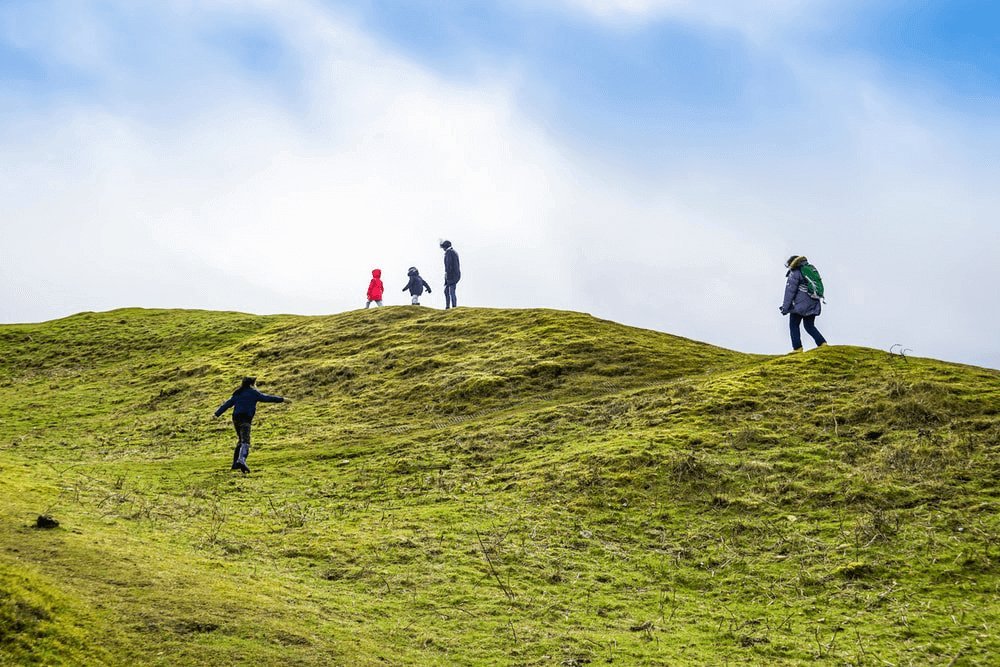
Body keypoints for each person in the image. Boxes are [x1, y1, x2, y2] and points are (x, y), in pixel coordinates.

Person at [213, 377, 290, 473]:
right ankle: (241, 460)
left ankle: (235, 464)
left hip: (236, 419)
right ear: (251, 384)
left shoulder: (238, 393)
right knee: (245, 441)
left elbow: (227, 404)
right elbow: (267, 398)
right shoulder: (253, 393)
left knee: (241, 440)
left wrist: (216, 414)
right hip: (245, 419)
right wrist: (282, 399)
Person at [780, 255, 828, 352]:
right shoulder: (809, 270)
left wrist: (785, 308)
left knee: (794, 325)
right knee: (809, 326)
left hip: (799, 306)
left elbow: (790, 292)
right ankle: (822, 343)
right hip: (813, 303)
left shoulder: (795, 273)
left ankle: (797, 348)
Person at [441, 240, 460, 309]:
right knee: (449, 291)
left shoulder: (449, 253)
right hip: (454, 275)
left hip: (452, 276)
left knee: (450, 291)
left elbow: (449, 265)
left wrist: (447, 276)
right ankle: (450, 306)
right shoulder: (452, 252)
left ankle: (452, 306)